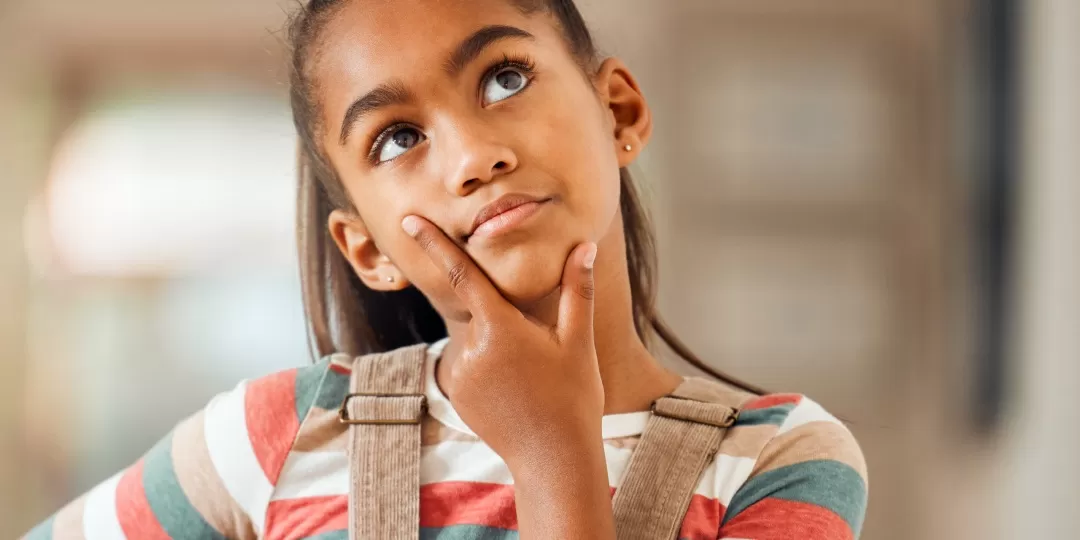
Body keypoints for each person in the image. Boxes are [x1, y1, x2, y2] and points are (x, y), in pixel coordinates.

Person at [24, 0, 868, 538]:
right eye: (398, 138)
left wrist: (552, 460)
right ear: (369, 252)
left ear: (620, 112)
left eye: (504, 78)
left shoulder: (780, 463)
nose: (472, 156)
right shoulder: (275, 440)